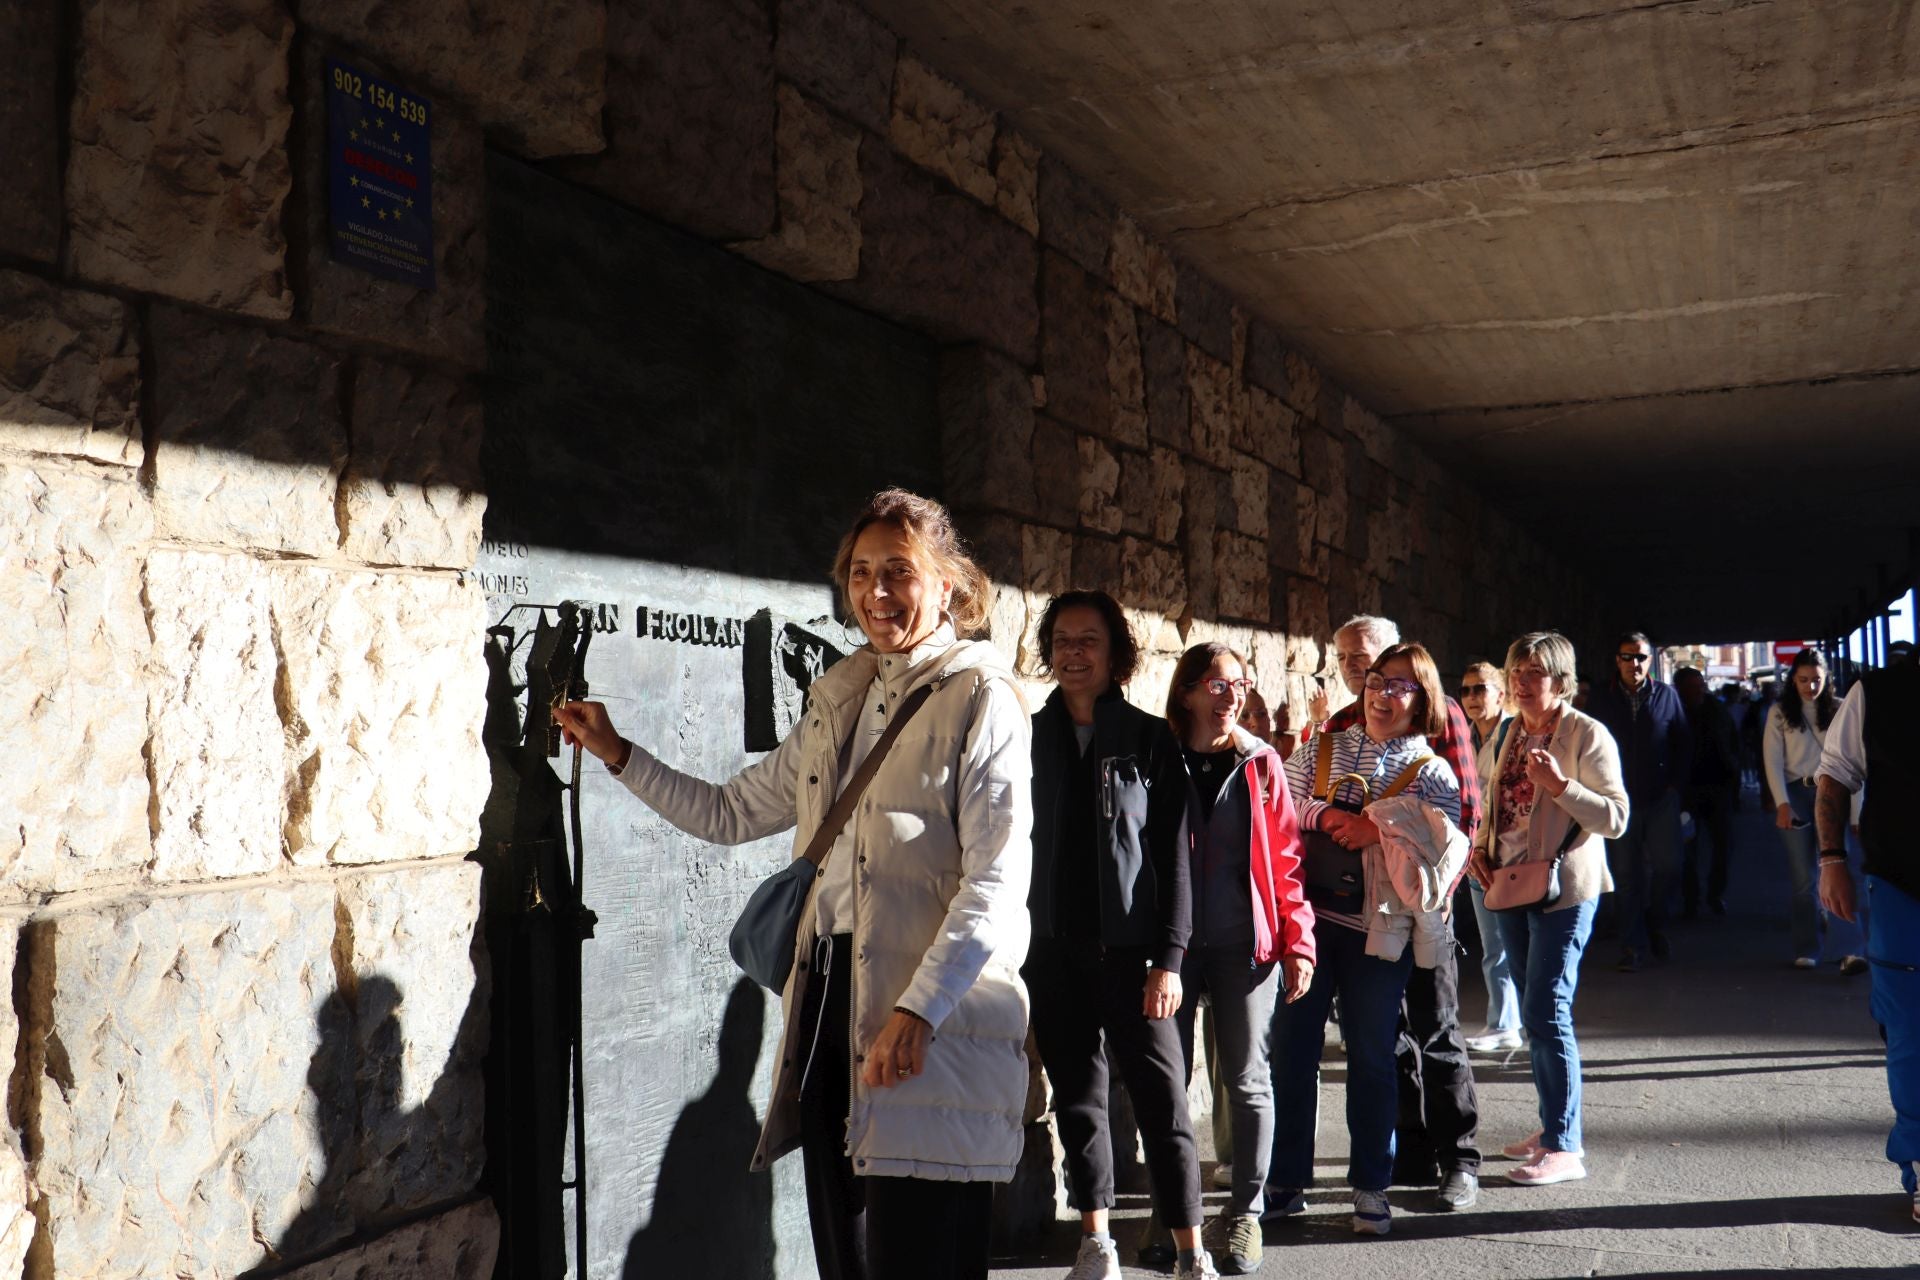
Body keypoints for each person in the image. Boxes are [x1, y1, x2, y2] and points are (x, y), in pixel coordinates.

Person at [553, 489, 1032, 1280]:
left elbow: (996, 881)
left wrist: (919, 1009)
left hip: (931, 1011)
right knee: (846, 1257)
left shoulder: (981, 700)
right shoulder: (838, 702)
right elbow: (730, 810)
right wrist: (618, 752)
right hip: (830, 1003)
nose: (878, 594)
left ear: (946, 582)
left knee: (925, 1259)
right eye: (862, 573)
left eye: (900, 573)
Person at [1023, 590, 1220, 1280]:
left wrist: (1169, 959)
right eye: (1063, 641)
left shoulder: (1146, 738)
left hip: (1135, 959)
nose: (1074, 654)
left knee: (1163, 1104)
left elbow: (1175, 861)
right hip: (1051, 954)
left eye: (1089, 641)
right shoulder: (1030, 736)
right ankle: (1095, 1240)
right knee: (1077, 1101)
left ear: (1114, 655)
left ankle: (1191, 1252)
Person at [1270, 641, 1462, 1236]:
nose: (1383, 693)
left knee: (1373, 1058)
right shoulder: (1324, 745)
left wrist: (1372, 830)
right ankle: (1285, 1180)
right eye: (1377, 681)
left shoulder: (1433, 772)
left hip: (1379, 934)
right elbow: (1285, 805)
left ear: (1422, 699)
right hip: (1311, 924)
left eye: (1400, 685)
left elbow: (1439, 856)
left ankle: (1371, 1186)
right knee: (1292, 1056)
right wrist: (1328, 819)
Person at [1313, 616, 1484, 1211]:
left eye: (1369, 659)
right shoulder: (1337, 728)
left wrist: (1436, 899)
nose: (1361, 672)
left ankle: (1460, 1158)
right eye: (1351, 663)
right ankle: (1409, 1152)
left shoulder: (1441, 725)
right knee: (1382, 1037)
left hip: (1426, 907)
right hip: (1362, 916)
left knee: (1436, 1029)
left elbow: (1461, 822)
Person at [1164, 642, 1317, 1273]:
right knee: (1166, 1082)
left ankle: (1245, 1214)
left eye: (1239, 684)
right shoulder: (1159, 758)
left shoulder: (1261, 764)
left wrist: (1297, 941)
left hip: (1242, 944)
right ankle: (1174, 1210)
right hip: (1168, 946)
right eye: (1217, 685)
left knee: (1249, 1079)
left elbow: (1285, 858)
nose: (1231, 697)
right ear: (1188, 693)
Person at [1466, 631, 1629, 1187]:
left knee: (1545, 1009)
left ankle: (1566, 1145)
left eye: (1534, 673)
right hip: (1510, 884)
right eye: (1516, 671)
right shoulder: (1508, 731)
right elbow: (1491, 801)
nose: (1521, 682)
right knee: (1537, 1014)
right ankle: (1552, 1125)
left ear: (1561, 680)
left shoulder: (1586, 734)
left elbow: (1615, 817)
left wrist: (1561, 787)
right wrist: (1477, 853)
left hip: (1565, 889)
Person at [1815, 655, 1920, 1222]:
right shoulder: (1876, 693)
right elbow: (1834, 776)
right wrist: (1832, 860)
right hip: (1904, 885)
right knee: (1910, 1030)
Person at [1585, 631, 1690, 972]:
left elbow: (1683, 742)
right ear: (1617, 660)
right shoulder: (1602, 698)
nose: (1635, 663)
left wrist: (1675, 785)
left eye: (1641, 657)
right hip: (1617, 799)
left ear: (1650, 660)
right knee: (1626, 875)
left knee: (1669, 866)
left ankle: (1654, 922)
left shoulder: (1666, 695)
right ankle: (1633, 945)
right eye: (1628, 657)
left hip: (1659, 797)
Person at [1764, 648, 1866, 973]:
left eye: (1816, 680)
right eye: (1803, 680)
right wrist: (1781, 802)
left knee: (1840, 868)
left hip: (1834, 791)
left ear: (1827, 680)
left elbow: (1855, 761)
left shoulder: (1840, 710)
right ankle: (1808, 946)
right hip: (1797, 791)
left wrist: (1855, 814)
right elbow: (1773, 760)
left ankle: (1850, 949)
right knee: (1803, 877)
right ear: (1792, 680)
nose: (1810, 687)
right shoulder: (1779, 713)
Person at [1459, 662, 1521, 1054]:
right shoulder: (1464, 737)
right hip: (1472, 851)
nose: (1471, 698)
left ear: (1501, 693)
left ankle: (1507, 1024)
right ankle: (1507, 1021)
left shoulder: (1511, 734)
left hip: (1506, 852)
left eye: (1480, 689)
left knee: (1504, 944)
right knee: (1493, 943)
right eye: (1466, 691)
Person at [1674, 668, 1739, 918]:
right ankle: (1691, 899)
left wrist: (1734, 774)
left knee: (1724, 845)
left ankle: (1715, 894)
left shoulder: (1717, 711)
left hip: (1718, 788)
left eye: (1700, 685)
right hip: (1686, 792)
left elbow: (1732, 741)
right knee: (1687, 849)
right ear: (1680, 689)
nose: (1698, 690)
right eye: (1692, 686)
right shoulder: (1674, 712)